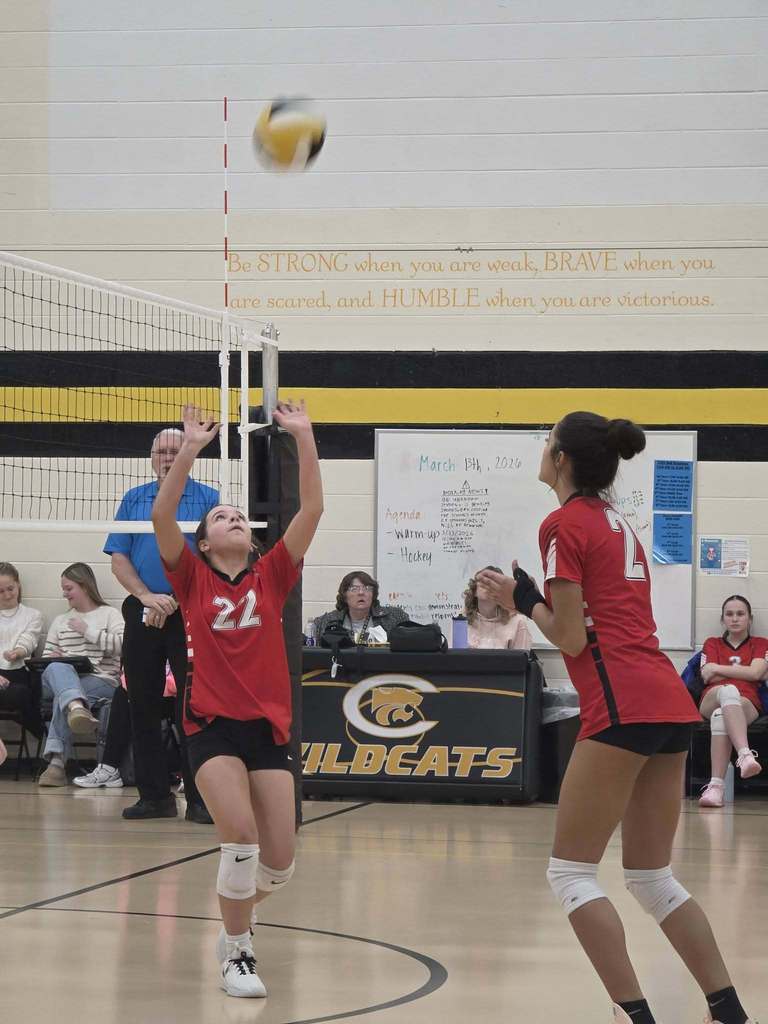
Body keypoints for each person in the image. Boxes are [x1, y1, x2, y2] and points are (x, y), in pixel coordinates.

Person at [477, 411, 756, 1024]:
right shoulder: (616, 521)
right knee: (652, 877)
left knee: (571, 874)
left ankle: (635, 1015)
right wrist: (534, 596)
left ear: (561, 461)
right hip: (664, 697)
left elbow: (572, 638)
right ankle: (728, 1010)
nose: (542, 449)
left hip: (620, 702)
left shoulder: (561, 523)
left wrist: (521, 599)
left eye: (546, 441)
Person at [152, 400, 322, 998]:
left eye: (238, 516)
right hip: (210, 725)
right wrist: (189, 450)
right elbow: (162, 515)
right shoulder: (191, 578)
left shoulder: (272, 575)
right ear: (202, 543)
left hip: (269, 730)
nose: (232, 518)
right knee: (241, 839)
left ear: (251, 540)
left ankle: (233, 912)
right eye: (220, 516)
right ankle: (238, 955)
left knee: (279, 863)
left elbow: (314, 508)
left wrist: (302, 435)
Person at [105, 425, 218, 822]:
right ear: (152, 458)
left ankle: (202, 799)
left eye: (176, 450)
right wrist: (146, 597)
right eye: (162, 452)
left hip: (191, 610)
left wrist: (178, 601)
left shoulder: (209, 499)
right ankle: (155, 796)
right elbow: (119, 558)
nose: (168, 458)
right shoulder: (134, 499)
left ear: (191, 453)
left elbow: (214, 558)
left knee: (195, 705)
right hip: (144, 608)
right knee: (143, 704)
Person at [38, 563, 123, 787]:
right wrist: (53, 657)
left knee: (63, 696)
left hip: (101, 680)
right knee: (57, 668)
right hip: (61, 677)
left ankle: (56, 764)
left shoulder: (110, 614)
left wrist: (88, 631)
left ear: (85, 586)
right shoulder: (60, 620)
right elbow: (45, 659)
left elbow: (124, 646)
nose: (64, 594)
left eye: (69, 588)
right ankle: (77, 707)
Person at [697, 595, 766, 808]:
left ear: (749, 618)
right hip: (712, 697)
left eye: (740, 614)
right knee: (728, 690)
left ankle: (715, 788)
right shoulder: (712, 643)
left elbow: (756, 673)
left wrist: (718, 668)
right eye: (729, 614)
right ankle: (745, 755)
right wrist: (744, 673)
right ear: (722, 619)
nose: (734, 618)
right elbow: (706, 676)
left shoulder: (760, 644)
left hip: (747, 702)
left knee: (721, 716)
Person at [0, 561, 44, 741]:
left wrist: (16, 653)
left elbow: (29, 640)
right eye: (0, 591)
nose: (7, 595)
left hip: (17, 673)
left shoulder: (32, 615)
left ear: (18, 584)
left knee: (22, 694)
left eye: (10, 588)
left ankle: (40, 732)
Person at [313, 571, 407, 644]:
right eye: (354, 589)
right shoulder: (326, 622)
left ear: (373, 595)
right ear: (344, 596)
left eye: (367, 588)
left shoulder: (395, 618)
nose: (361, 593)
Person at [464, 566, 532, 650]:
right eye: (483, 581)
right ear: (474, 590)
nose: (487, 586)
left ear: (501, 592)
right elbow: (453, 658)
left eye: (492, 583)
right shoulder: (461, 621)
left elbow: (521, 660)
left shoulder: (517, 622)